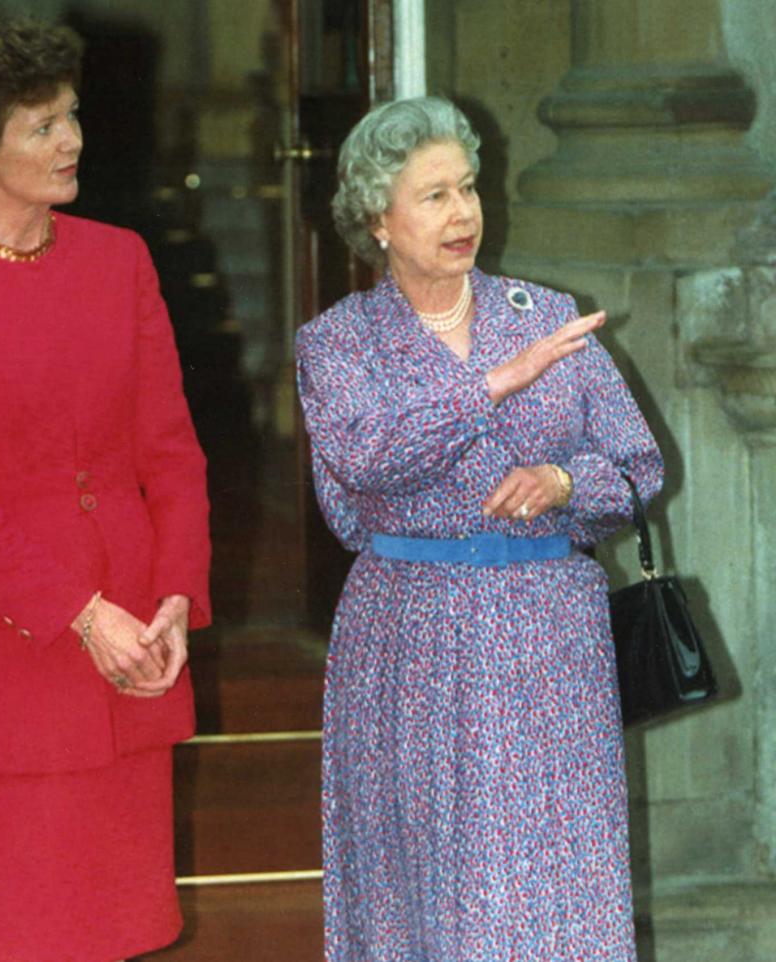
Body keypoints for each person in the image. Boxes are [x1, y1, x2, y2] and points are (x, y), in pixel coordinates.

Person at [0, 15, 210, 962]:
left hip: (138, 649)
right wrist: (82, 615)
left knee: (130, 930)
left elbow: (171, 452)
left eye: (71, 117)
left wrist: (174, 594)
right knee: (33, 937)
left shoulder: (121, 259)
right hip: (11, 658)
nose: (74, 142)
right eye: (42, 126)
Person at [295, 96, 663, 962]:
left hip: (547, 631)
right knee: (422, 881)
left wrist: (565, 480)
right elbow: (366, 462)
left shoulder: (547, 314)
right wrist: (494, 384)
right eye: (433, 197)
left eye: (468, 189)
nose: (462, 213)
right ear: (377, 219)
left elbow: (638, 468)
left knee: (552, 877)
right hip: (407, 634)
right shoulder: (337, 344)